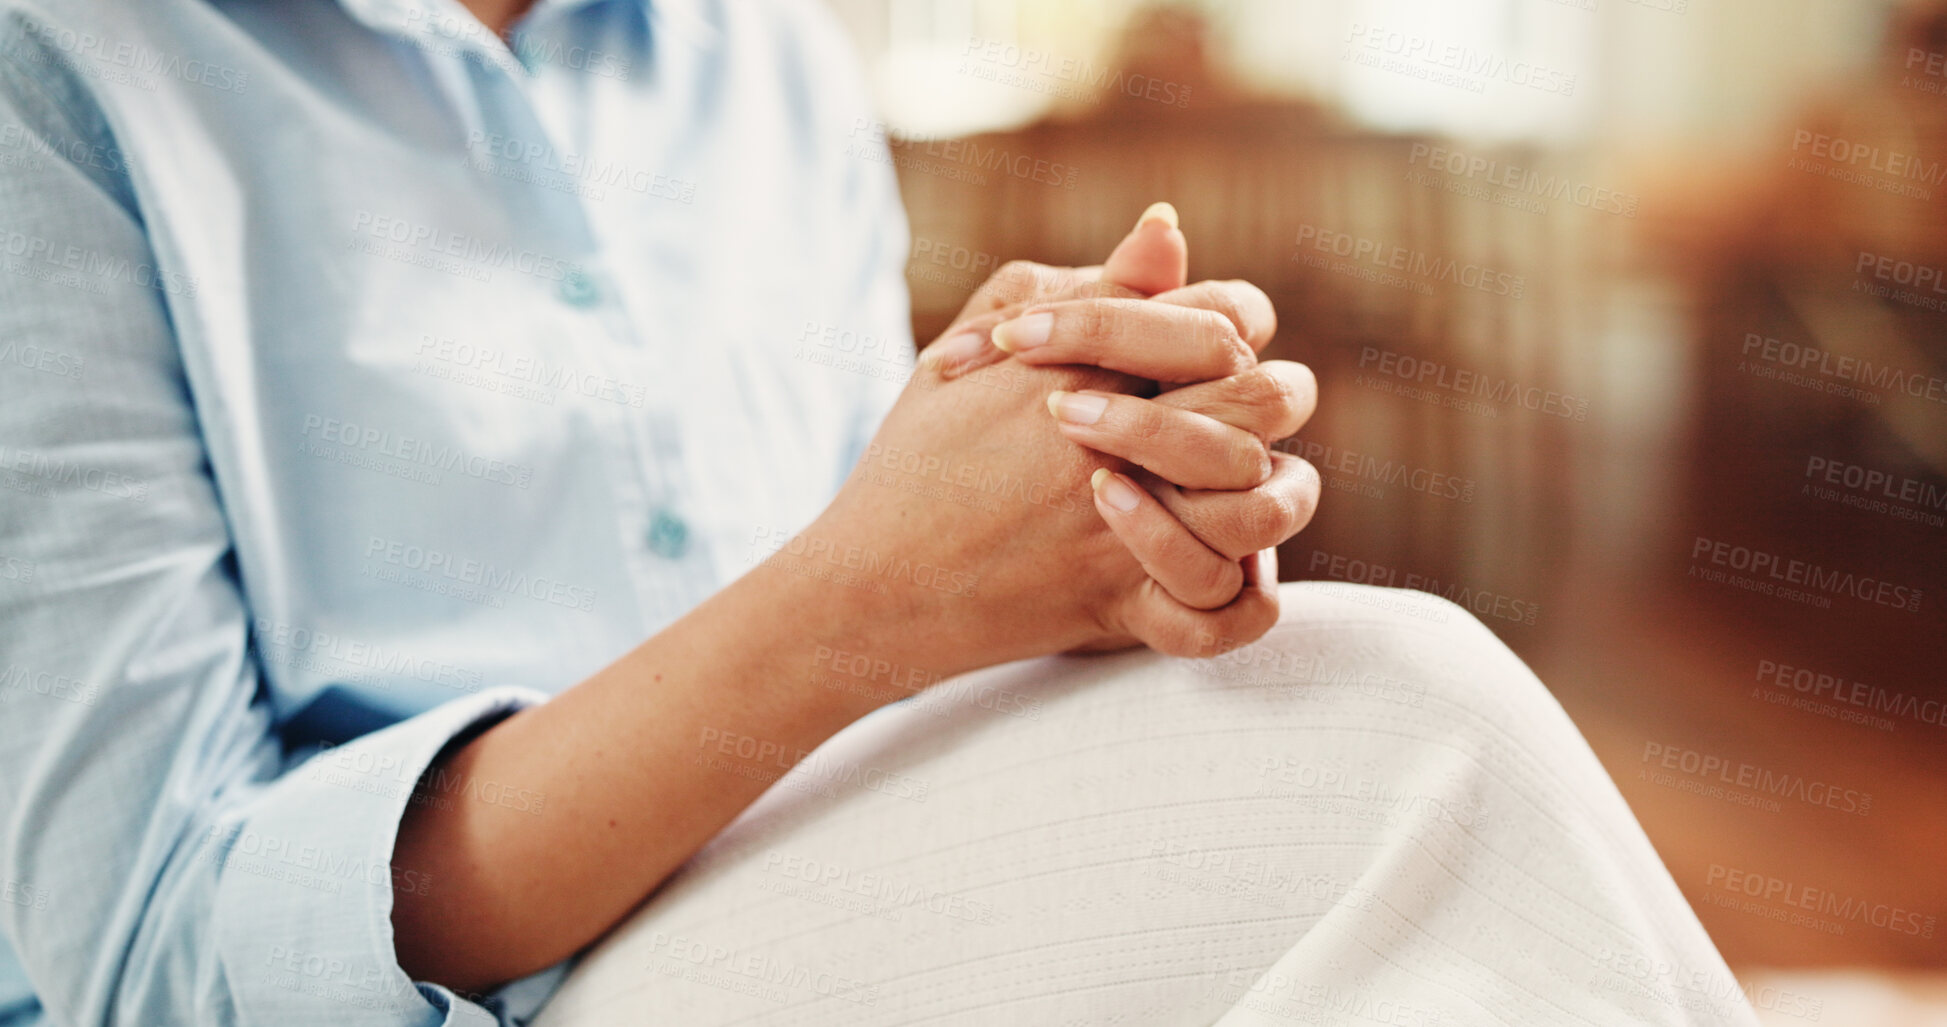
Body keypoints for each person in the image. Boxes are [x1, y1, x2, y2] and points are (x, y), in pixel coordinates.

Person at [0, 0, 1756, 1024]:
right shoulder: (56, 78)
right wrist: (870, 602)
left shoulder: (759, 54)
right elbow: (148, 962)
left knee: (1314, 732)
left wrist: (1075, 535)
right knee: (1412, 735)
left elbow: (873, 606)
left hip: (784, 868)